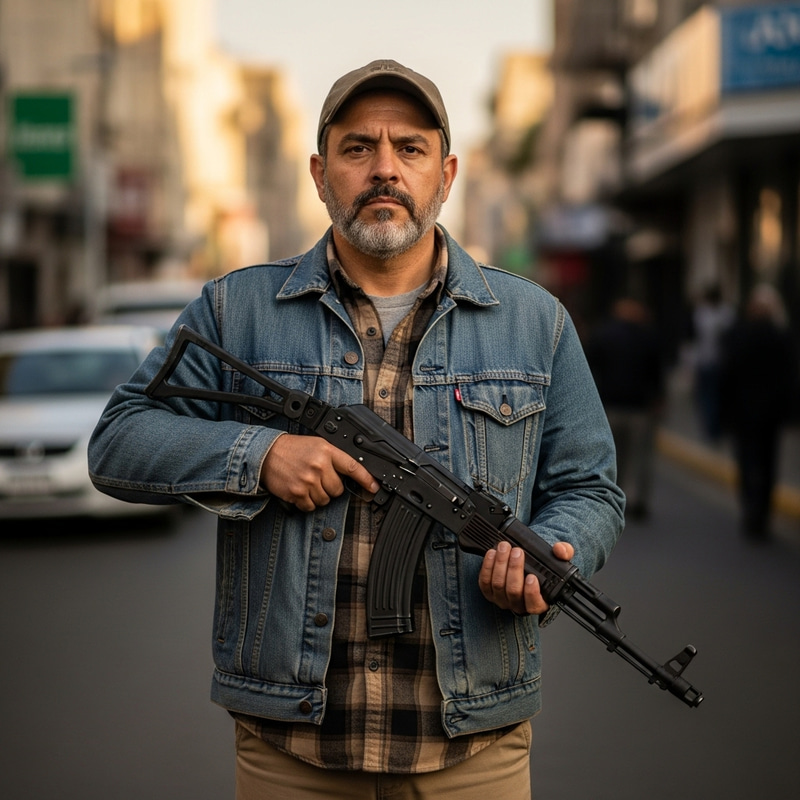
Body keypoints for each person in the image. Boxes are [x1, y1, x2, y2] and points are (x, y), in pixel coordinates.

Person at [88, 59, 625, 799]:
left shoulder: (534, 324)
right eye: (356, 148)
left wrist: (551, 554)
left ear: (447, 173)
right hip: (291, 750)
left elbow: (590, 489)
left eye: (409, 149)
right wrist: (260, 453)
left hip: (474, 750)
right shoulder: (237, 311)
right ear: (318, 172)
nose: (384, 170)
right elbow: (118, 440)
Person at [719, 283, 800, 540]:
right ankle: (761, 515)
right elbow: (790, 378)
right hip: (770, 415)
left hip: (745, 413)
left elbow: (728, 374)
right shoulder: (780, 336)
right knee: (766, 464)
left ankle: (751, 510)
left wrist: (725, 412)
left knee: (747, 462)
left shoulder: (738, 334)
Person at [585, 297, 666, 520]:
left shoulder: (603, 334)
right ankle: (639, 499)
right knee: (641, 456)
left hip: (609, 406)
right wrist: (659, 401)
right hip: (640, 407)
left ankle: (612, 500)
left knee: (611, 457)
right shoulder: (648, 336)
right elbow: (657, 374)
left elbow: (589, 370)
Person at [689, 284, 735, 443]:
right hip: (707, 361)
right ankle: (712, 428)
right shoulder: (709, 313)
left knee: (712, 397)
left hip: (716, 363)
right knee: (708, 397)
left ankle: (713, 428)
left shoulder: (719, 314)